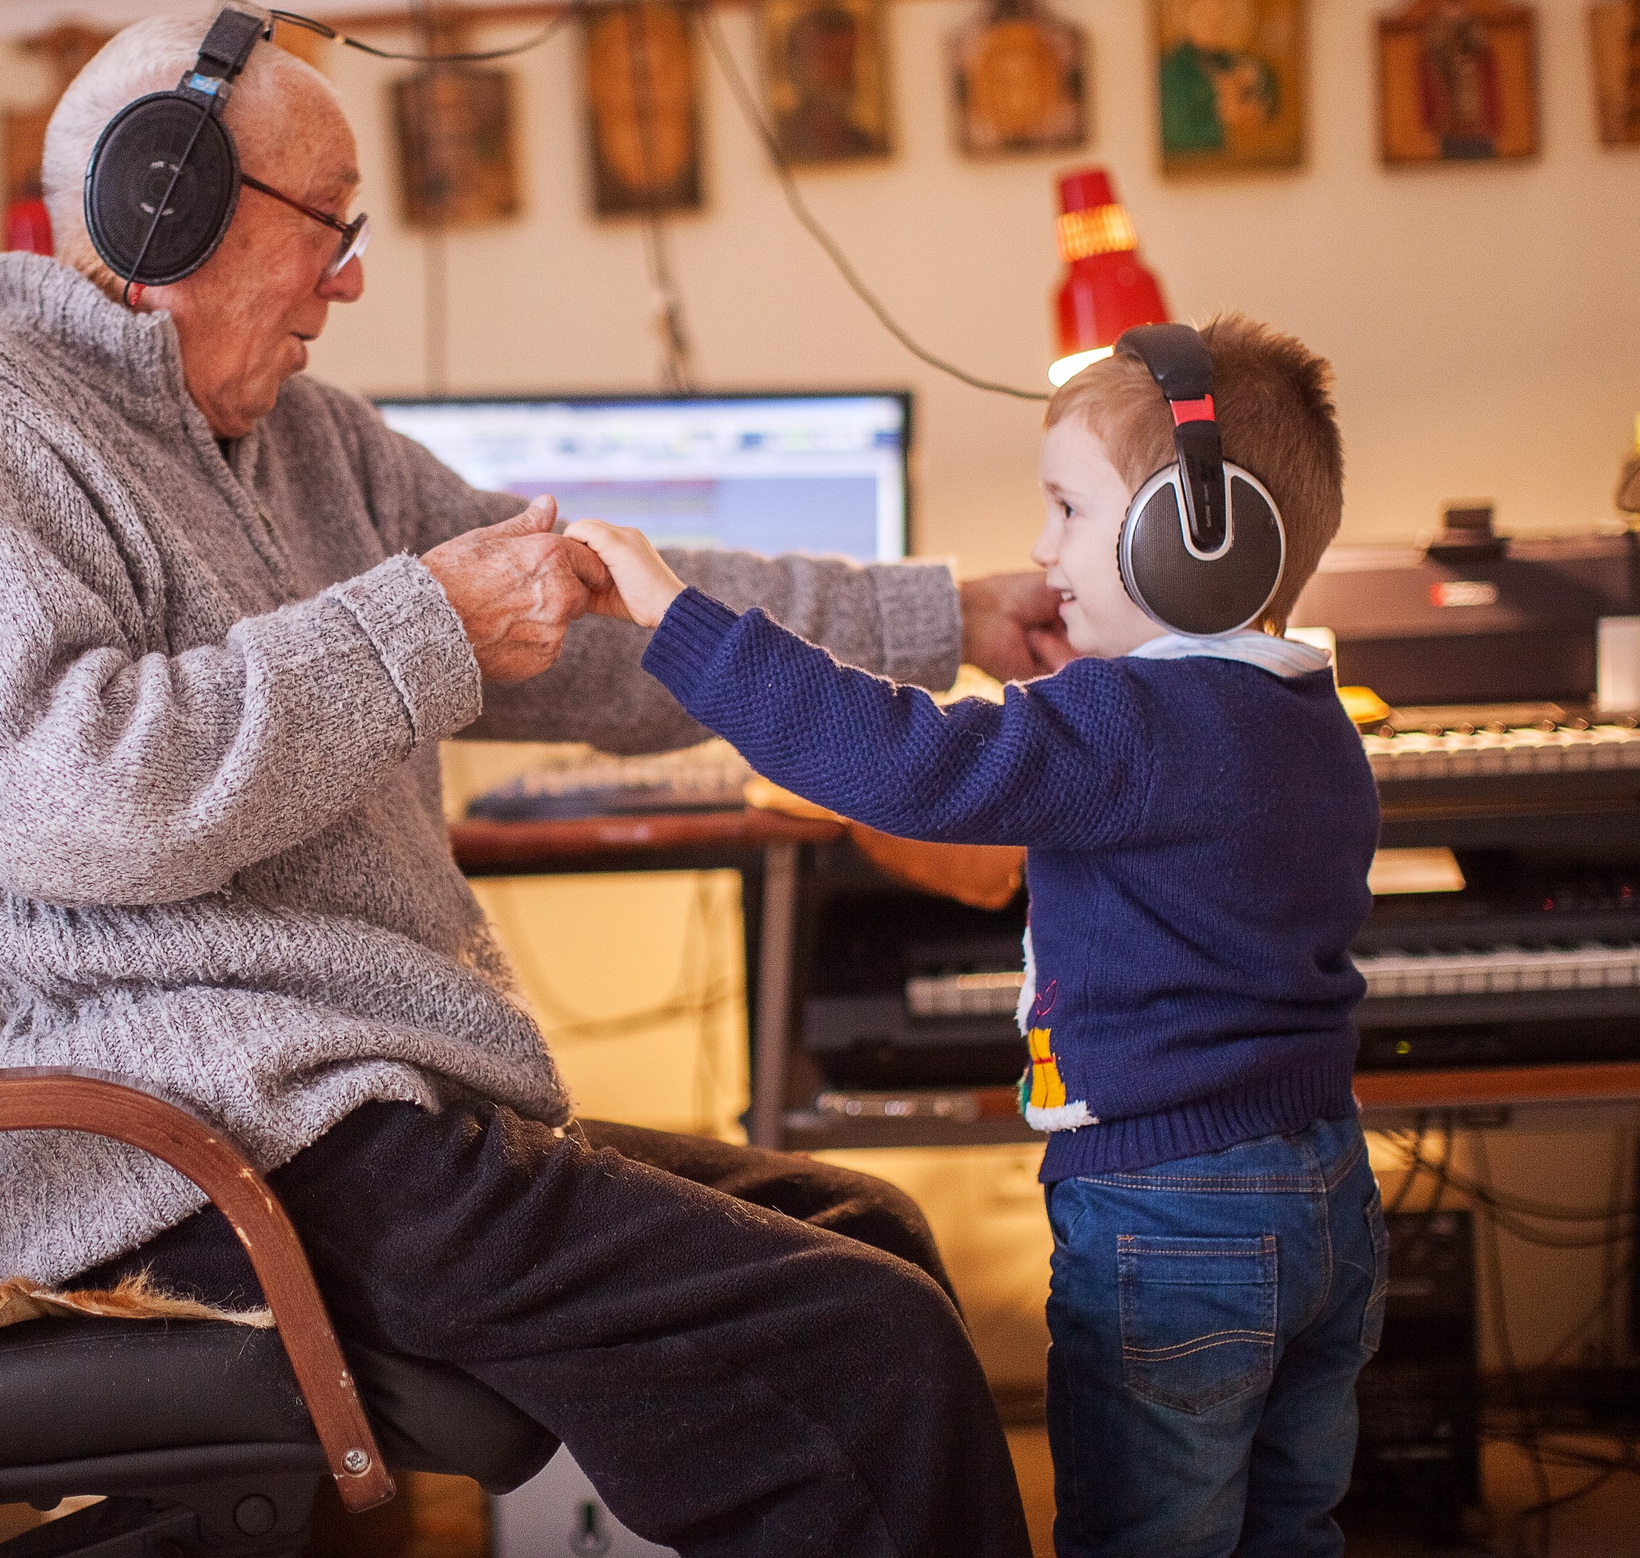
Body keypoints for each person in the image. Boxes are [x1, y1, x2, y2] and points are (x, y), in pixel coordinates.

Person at [0, 11, 1068, 1556]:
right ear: (172, 202)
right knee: (858, 1347)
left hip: (339, 1106)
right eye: (331, 226)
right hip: (173, 1135)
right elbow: (69, 796)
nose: (349, 279)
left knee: (864, 1232)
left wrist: (936, 618)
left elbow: (597, 612)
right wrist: (422, 623)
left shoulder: (312, 441)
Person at [570, 314, 1385, 1558]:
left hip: (1169, 1215)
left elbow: (894, 760)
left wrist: (678, 618)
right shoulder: (1308, 713)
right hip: (1326, 1196)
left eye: (1066, 510)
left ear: (1193, 536)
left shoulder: (1123, 724)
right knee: (1289, 1529)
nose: (1038, 549)